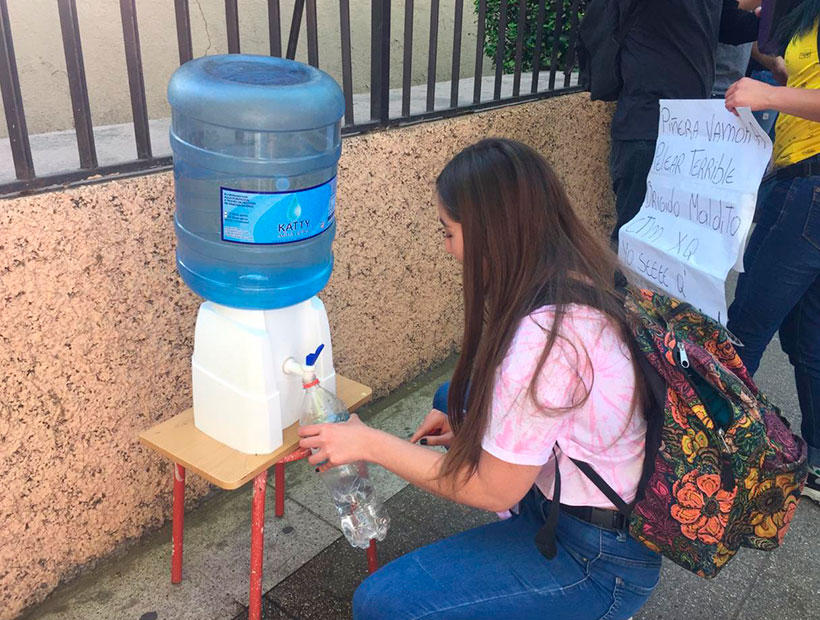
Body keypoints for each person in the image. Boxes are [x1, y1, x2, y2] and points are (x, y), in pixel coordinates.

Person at [299, 139, 660, 619]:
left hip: (595, 558)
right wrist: (465, 417)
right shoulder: (578, 276)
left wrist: (369, 444)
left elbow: (492, 489)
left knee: (382, 603)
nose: (448, 248)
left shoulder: (549, 340)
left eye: (447, 232)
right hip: (577, 508)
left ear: (493, 231)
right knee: (453, 394)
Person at [725, 0, 820, 505]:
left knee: (744, 327)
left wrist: (772, 94)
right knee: (809, 338)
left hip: (809, 188)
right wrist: (775, 70)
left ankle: (709, 450)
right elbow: (792, 65)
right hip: (802, 184)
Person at [610, 0, 759, 247]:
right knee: (634, 237)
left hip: (690, 127)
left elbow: (729, 26)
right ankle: (617, 284)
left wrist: (769, 20)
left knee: (669, 240)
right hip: (648, 124)